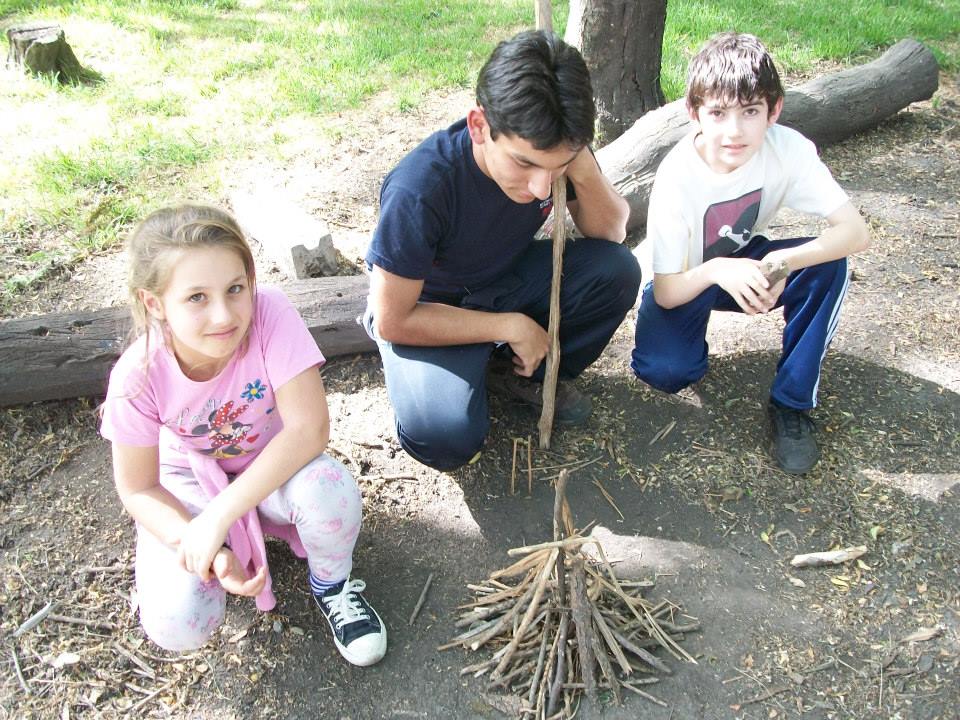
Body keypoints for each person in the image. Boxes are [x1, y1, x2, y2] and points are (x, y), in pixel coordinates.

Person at [99, 204, 386, 666]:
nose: (223, 316)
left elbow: (309, 429)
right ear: (155, 304)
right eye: (196, 297)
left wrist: (221, 514)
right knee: (176, 623)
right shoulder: (137, 376)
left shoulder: (270, 313)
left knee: (330, 493)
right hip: (190, 479)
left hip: (272, 461)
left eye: (235, 289)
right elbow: (138, 488)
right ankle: (221, 549)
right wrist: (199, 540)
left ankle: (331, 585)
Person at [364, 30, 641, 471]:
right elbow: (393, 319)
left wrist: (582, 169)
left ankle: (512, 371)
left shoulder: (555, 142)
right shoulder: (420, 189)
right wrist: (510, 325)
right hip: (429, 308)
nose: (540, 188)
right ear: (479, 126)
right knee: (445, 436)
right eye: (524, 163)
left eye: (557, 167)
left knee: (617, 270)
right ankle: (469, 360)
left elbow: (612, 231)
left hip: (504, 279)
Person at [630, 32, 870, 474]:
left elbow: (855, 232)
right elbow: (666, 291)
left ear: (774, 110)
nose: (734, 131)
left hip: (749, 257)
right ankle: (682, 339)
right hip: (685, 275)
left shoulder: (788, 149)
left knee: (828, 264)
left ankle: (792, 404)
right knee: (665, 371)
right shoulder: (677, 177)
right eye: (718, 113)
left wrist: (782, 264)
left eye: (751, 111)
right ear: (694, 113)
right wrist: (719, 270)